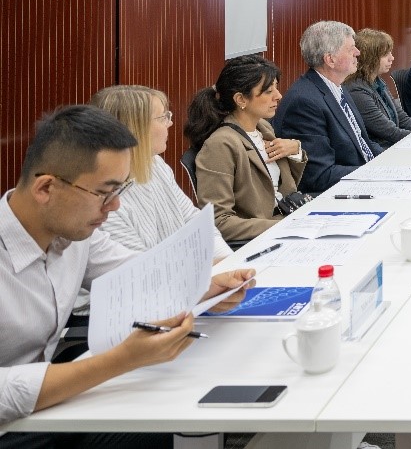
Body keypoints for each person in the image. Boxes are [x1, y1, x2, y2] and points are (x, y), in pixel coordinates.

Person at [0, 105, 252, 437]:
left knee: (170, 409)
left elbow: (140, 274)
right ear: (45, 188)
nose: (115, 206)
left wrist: (206, 287)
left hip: (43, 409)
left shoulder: (74, 237)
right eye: (104, 193)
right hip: (13, 422)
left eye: (119, 191)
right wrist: (121, 360)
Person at [89, 85, 231, 261]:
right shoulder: (105, 202)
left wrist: (228, 262)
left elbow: (196, 222)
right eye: (163, 117)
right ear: (137, 128)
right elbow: (142, 267)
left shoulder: (156, 163)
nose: (170, 123)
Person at [187, 55, 307, 243]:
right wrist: (283, 226)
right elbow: (219, 221)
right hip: (263, 238)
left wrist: (295, 150)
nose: (278, 96)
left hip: (288, 222)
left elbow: (282, 188)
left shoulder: (262, 128)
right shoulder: (221, 144)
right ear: (241, 99)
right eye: (268, 91)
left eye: (276, 87)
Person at [274, 21, 383, 194]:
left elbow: (364, 143)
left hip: (363, 179)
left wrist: (392, 161)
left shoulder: (337, 87)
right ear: (330, 59)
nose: (358, 52)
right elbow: (320, 176)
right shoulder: (304, 103)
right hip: (337, 193)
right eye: (351, 49)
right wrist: (376, 173)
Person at [345, 28, 411, 146]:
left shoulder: (377, 81)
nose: (392, 58)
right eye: (386, 54)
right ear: (370, 58)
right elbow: (391, 132)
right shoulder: (356, 90)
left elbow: (403, 119)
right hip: (382, 149)